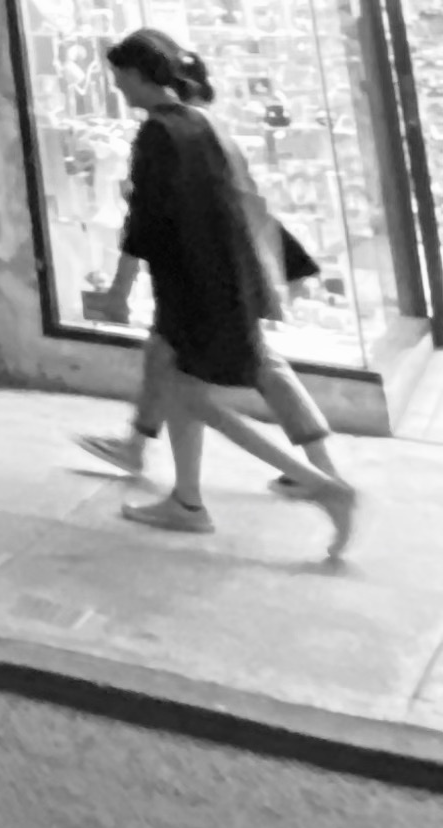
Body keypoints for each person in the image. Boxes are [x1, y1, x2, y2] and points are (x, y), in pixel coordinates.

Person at [78, 28, 358, 556]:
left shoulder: (159, 133)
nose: (118, 88)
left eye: (120, 78)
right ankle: (185, 499)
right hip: (220, 281)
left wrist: (118, 292)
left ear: (138, 75)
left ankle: (323, 487)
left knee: (191, 394)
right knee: (188, 377)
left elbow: (145, 225)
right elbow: (237, 203)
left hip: (197, 288)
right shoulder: (201, 123)